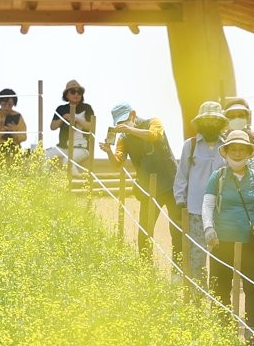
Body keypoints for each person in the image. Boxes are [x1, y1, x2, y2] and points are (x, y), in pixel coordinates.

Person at [202, 130, 254, 341]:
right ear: (227, 152)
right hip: (221, 241)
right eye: (233, 149)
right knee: (220, 288)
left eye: (242, 149)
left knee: (252, 290)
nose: (238, 153)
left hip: (250, 243)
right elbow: (207, 205)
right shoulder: (218, 177)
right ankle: (223, 335)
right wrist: (208, 228)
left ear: (249, 152)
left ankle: (252, 336)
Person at [102, 102, 182, 262]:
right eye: (119, 124)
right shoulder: (123, 139)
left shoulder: (154, 122)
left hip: (172, 185)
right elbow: (118, 162)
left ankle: (178, 270)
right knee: (145, 231)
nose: (122, 126)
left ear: (133, 115)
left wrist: (130, 130)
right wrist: (109, 151)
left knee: (177, 229)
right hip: (149, 189)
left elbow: (154, 135)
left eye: (124, 121)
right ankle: (146, 267)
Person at [173, 101, 228, 278]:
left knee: (219, 258)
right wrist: (180, 201)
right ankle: (195, 299)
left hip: (221, 211)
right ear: (200, 123)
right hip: (195, 211)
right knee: (196, 256)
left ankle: (216, 297)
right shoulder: (191, 146)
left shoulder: (227, 146)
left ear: (220, 123)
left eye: (214, 121)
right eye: (206, 121)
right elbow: (182, 176)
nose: (210, 124)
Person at [47, 79, 94, 174]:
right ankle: (44, 183)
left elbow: (91, 127)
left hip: (82, 148)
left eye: (79, 92)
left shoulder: (87, 108)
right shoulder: (61, 109)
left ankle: (78, 185)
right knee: (43, 156)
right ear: (67, 95)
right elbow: (52, 126)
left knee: (67, 162)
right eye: (73, 92)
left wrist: (76, 119)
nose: (76, 94)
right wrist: (63, 118)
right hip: (63, 147)